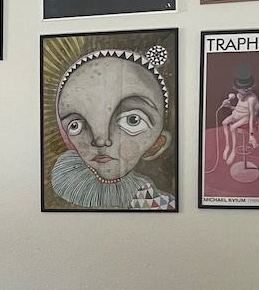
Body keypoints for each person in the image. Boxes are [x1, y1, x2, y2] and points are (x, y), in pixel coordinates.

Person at [50, 46, 175, 210]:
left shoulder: (148, 199)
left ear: (157, 144)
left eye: (132, 120)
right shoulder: (66, 179)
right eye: (76, 125)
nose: (100, 140)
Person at [219, 66, 259, 163]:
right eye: (242, 88)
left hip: (247, 117)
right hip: (237, 115)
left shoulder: (251, 99)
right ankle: (227, 146)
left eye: (248, 87)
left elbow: (251, 115)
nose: (246, 90)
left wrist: (251, 134)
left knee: (233, 128)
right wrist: (229, 106)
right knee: (224, 122)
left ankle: (233, 151)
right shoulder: (239, 95)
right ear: (236, 88)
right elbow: (239, 109)